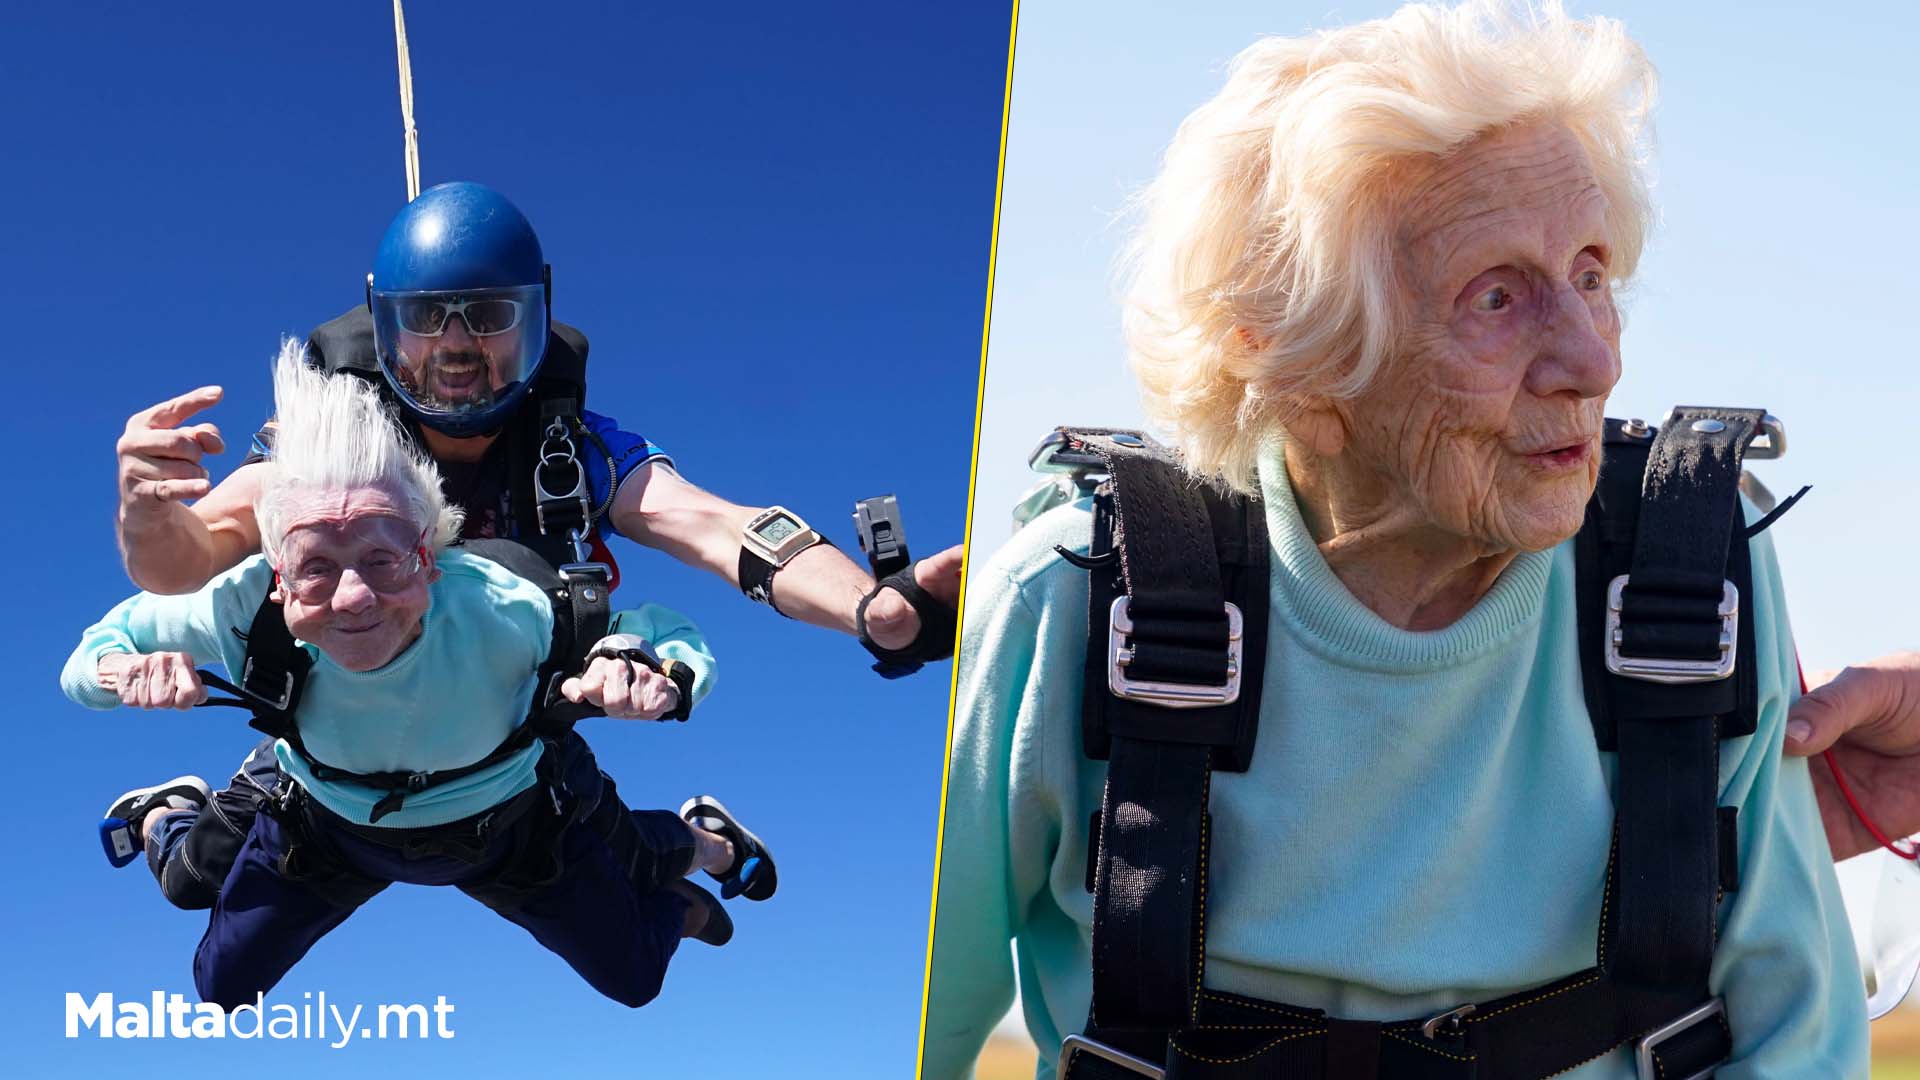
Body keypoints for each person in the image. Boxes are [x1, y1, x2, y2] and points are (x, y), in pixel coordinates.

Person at [923, 4, 1867, 1078]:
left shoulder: (1694, 575)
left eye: (1594, 273)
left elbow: (1802, 1040)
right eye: (1498, 296)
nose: (1592, 360)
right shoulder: (1073, 602)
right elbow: (915, 1027)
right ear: (1300, 369)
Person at [98, 181, 957, 908]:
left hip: (506, 742)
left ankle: (710, 847)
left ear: (537, 318)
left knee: (632, 924)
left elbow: (721, 526)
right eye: (429, 319)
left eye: (491, 317)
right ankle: (165, 813)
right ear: (384, 327)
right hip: (340, 740)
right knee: (191, 881)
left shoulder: (570, 447)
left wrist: (871, 610)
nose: (460, 347)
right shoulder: (330, 446)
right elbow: (189, 556)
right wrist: (147, 510)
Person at [66, 344, 776, 1008]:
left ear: (431, 560)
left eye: (381, 561)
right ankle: (166, 814)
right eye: (316, 568)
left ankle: (698, 856)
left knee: (634, 976)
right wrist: (121, 672)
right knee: (220, 980)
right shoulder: (241, 604)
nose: (353, 599)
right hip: (327, 823)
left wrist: (657, 673)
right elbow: (90, 653)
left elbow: (670, 634)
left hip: (512, 824)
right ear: (278, 580)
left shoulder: (506, 605)